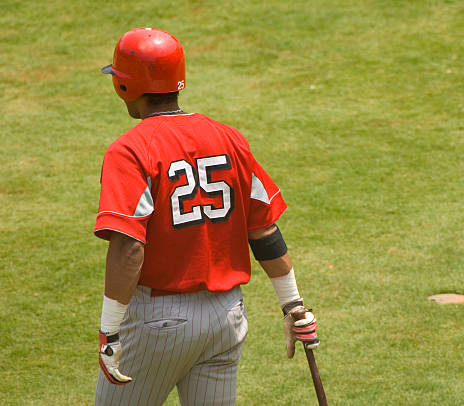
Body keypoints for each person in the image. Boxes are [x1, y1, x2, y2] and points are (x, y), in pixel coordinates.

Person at [94, 27, 319, 406]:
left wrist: (109, 330)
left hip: (159, 322)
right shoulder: (228, 138)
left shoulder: (130, 149)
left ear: (126, 87)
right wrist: (294, 306)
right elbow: (264, 228)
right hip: (225, 317)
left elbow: (129, 247)